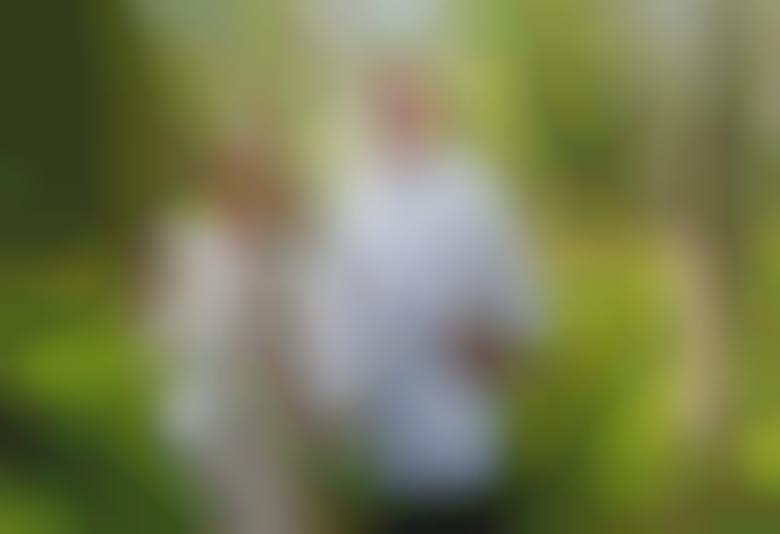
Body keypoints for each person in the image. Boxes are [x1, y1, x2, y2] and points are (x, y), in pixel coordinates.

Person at [311, 62, 532, 534]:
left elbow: (513, 296)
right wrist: (337, 409)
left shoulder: (475, 193)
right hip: (391, 438)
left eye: (411, 104)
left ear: (434, 110)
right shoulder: (354, 206)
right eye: (390, 108)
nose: (402, 117)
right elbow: (336, 316)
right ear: (373, 118)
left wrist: (496, 347)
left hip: (465, 431)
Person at [148, 127, 309, 534]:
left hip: (265, 420)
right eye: (240, 175)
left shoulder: (277, 252)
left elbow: (290, 339)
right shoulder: (185, 242)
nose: (249, 189)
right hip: (206, 418)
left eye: (258, 177)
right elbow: (163, 330)